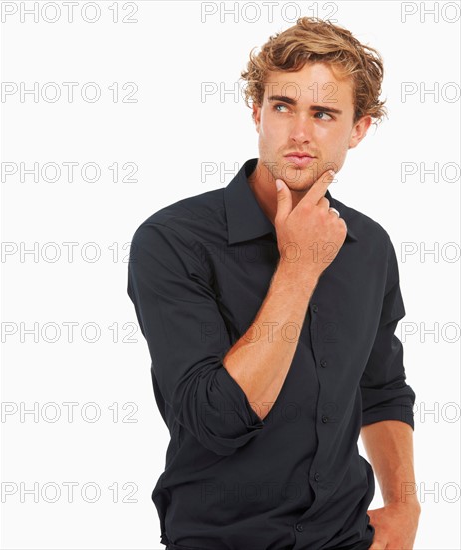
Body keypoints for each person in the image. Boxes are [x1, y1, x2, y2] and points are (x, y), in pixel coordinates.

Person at [127, 16, 421, 550]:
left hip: (345, 537)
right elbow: (215, 418)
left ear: (359, 128)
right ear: (256, 110)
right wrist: (300, 267)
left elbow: (382, 390)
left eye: (324, 113)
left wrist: (404, 505)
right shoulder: (171, 241)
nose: (299, 133)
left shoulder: (370, 245)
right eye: (282, 106)